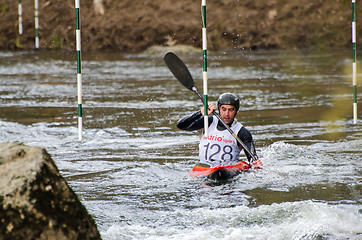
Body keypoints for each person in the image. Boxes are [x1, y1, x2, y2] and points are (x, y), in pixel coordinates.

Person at [177, 92, 262, 169]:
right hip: (205, 169)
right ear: (219, 108)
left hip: (228, 171)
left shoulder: (242, 133)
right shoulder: (208, 122)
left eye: (231, 110)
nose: (227, 114)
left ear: (236, 110)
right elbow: (181, 125)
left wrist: (255, 164)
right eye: (224, 109)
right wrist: (199, 113)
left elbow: (252, 159)